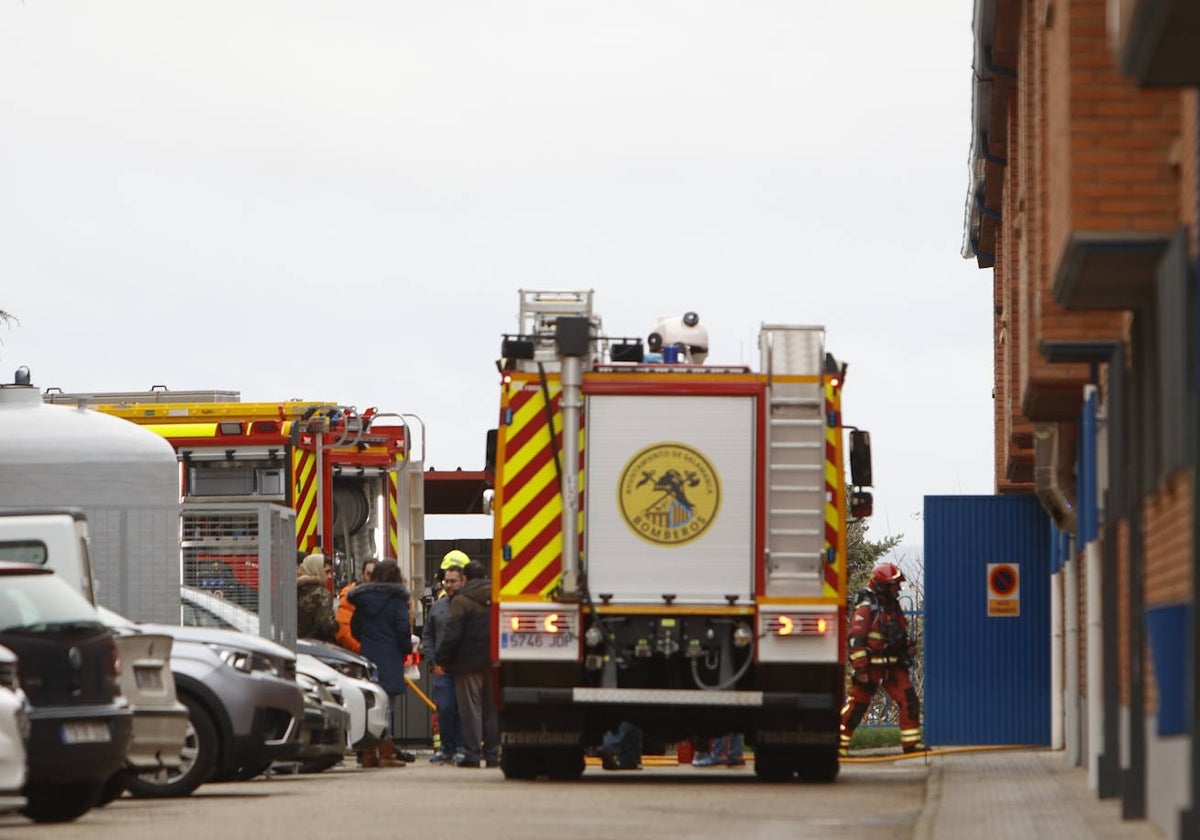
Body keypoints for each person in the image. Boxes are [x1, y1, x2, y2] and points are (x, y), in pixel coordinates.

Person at [838, 561, 925, 756]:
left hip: (893, 667)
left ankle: (911, 745)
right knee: (857, 707)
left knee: (909, 701)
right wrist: (860, 670)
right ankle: (839, 746)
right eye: (895, 585)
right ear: (882, 586)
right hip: (870, 669)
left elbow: (898, 634)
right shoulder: (867, 608)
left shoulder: (892, 608)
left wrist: (907, 648)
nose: (898, 589)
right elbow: (856, 639)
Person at [349, 559, 413, 768]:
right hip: (390, 657)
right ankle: (386, 752)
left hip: (368, 656)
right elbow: (403, 629)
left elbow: (355, 628)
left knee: (369, 705)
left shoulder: (363, 599)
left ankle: (368, 753)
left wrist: (367, 642)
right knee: (387, 708)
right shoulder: (397, 600)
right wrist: (405, 648)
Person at [435, 559, 499, 768]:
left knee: (471, 710)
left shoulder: (461, 600)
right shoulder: (498, 596)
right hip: (493, 662)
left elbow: (453, 634)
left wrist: (442, 658)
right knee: (491, 710)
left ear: (465, 579)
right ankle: (492, 754)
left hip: (468, 664)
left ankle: (472, 754)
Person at [421, 552, 468, 764]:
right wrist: (432, 662)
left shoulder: (470, 606)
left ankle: (461, 747)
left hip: (464, 667)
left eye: (453, 581)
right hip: (441, 669)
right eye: (446, 581)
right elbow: (428, 635)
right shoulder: (438, 607)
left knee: (463, 709)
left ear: (463, 581)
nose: (448, 585)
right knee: (445, 708)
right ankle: (446, 748)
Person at [334, 559, 377, 654]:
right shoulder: (350, 596)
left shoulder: (384, 596)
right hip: (357, 655)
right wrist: (361, 649)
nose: (372, 578)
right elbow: (343, 631)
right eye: (369, 574)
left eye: (376, 575)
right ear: (362, 575)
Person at [296, 551, 338, 642]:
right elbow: (326, 625)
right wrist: (338, 624)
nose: (330, 576)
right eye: (327, 572)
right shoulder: (321, 593)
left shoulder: (292, 590)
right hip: (316, 646)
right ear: (316, 569)